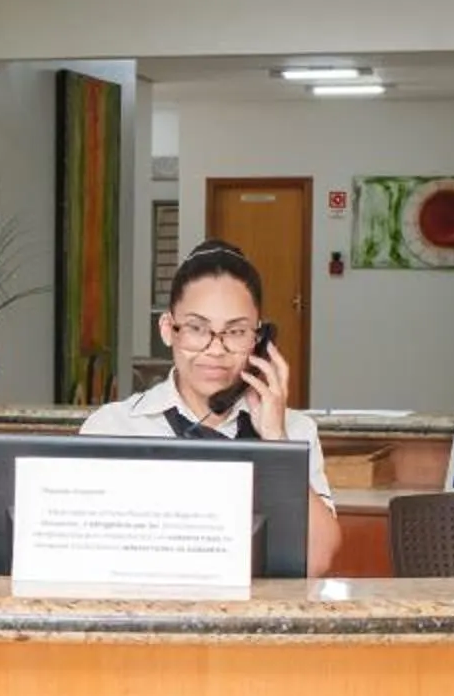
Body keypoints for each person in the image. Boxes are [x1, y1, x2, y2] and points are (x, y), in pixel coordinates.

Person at [81, 240, 343, 576]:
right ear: (168, 330)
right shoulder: (112, 428)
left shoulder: (295, 431)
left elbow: (318, 560)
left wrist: (276, 442)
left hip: (258, 610)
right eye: (197, 328)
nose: (216, 349)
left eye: (236, 331)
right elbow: (83, 560)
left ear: (259, 340)